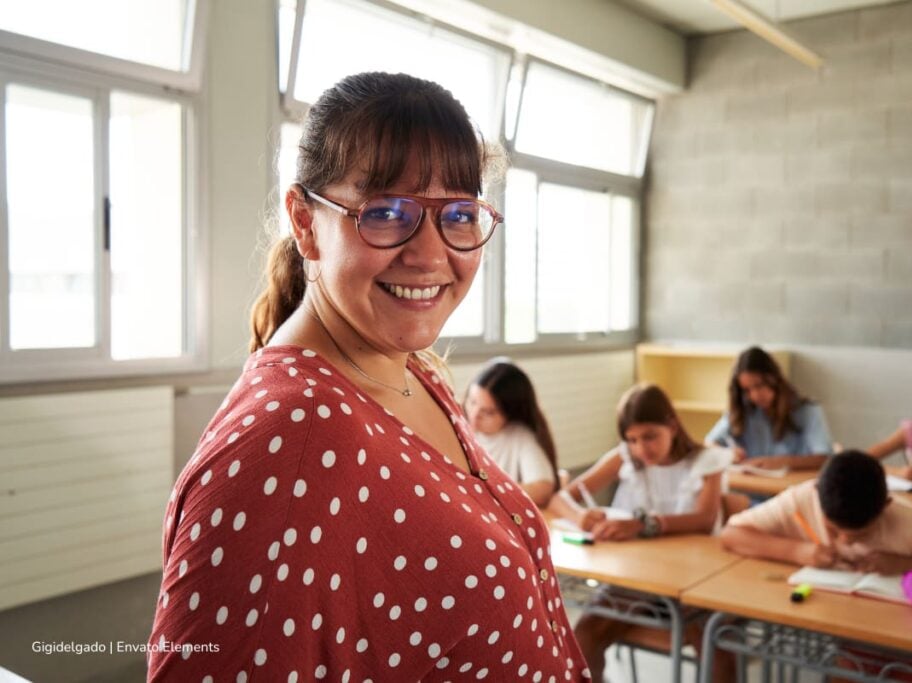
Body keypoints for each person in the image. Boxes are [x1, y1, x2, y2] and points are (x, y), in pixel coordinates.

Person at [147, 73, 590, 682]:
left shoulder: (414, 374)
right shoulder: (293, 433)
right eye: (385, 212)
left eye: (458, 214)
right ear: (305, 222)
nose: (430, 255)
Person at [548, 383, 734, 682]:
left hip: (694, 580)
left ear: (672, 425)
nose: (641, 448)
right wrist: (579, 515)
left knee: (717, 648)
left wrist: (643, 523)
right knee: (583, 637)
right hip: (639, 579)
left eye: (650, 436)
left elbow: (704, 519)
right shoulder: (625, 457)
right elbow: (562, 495)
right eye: (632, 439)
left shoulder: (707, 460)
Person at [721, 450, 912, 580]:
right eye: (834, 530)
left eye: (860, 533)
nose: (846, 542)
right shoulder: (803, 497)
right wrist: (797, 551)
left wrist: (908, 567)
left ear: (886, 506)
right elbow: (731, 534)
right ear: (816, 492)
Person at [706, 346, 833, 471]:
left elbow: (823, 458)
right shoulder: (743, 410)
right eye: (747, 390)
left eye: (759, 385)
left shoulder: (807, 411)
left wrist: (782, 461)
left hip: (789, 487)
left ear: (773, 378)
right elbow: (709, 443)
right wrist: (727, 453)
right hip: (751, 487)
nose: (755, 395)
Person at [464, 358, 560, 506]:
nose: (474, 415)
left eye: (488, 412)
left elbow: (542, 490)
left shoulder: (518, 437)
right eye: (472, 401)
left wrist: (484, 492)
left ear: (510, 415)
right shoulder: (457, 424)